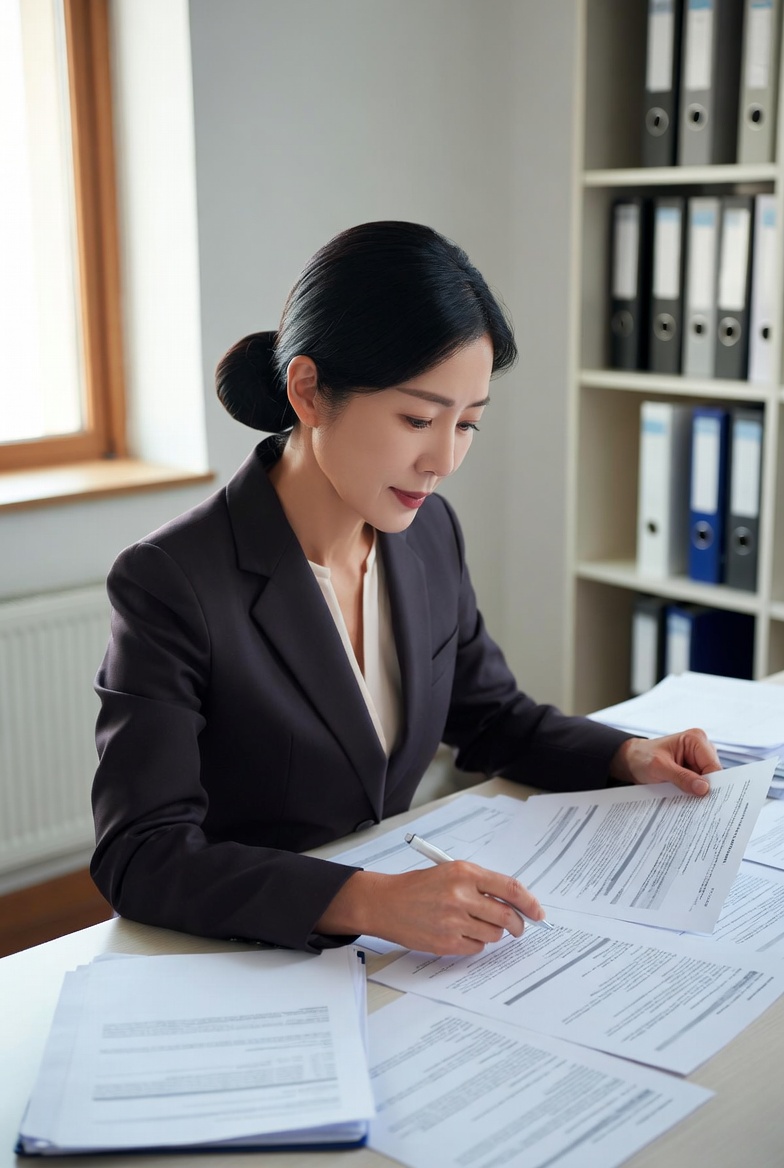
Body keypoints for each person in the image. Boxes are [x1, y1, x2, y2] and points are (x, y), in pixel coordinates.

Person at [91, 221, 720, 957]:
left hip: (389, 956)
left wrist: (629, 757)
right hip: (247, 954)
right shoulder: (172, 579)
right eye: (418, 418)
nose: (443, 460)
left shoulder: (426, 534)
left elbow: (492, 718)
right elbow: (141, 853)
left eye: (468, 424)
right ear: (308, 391)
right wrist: (367, 899)